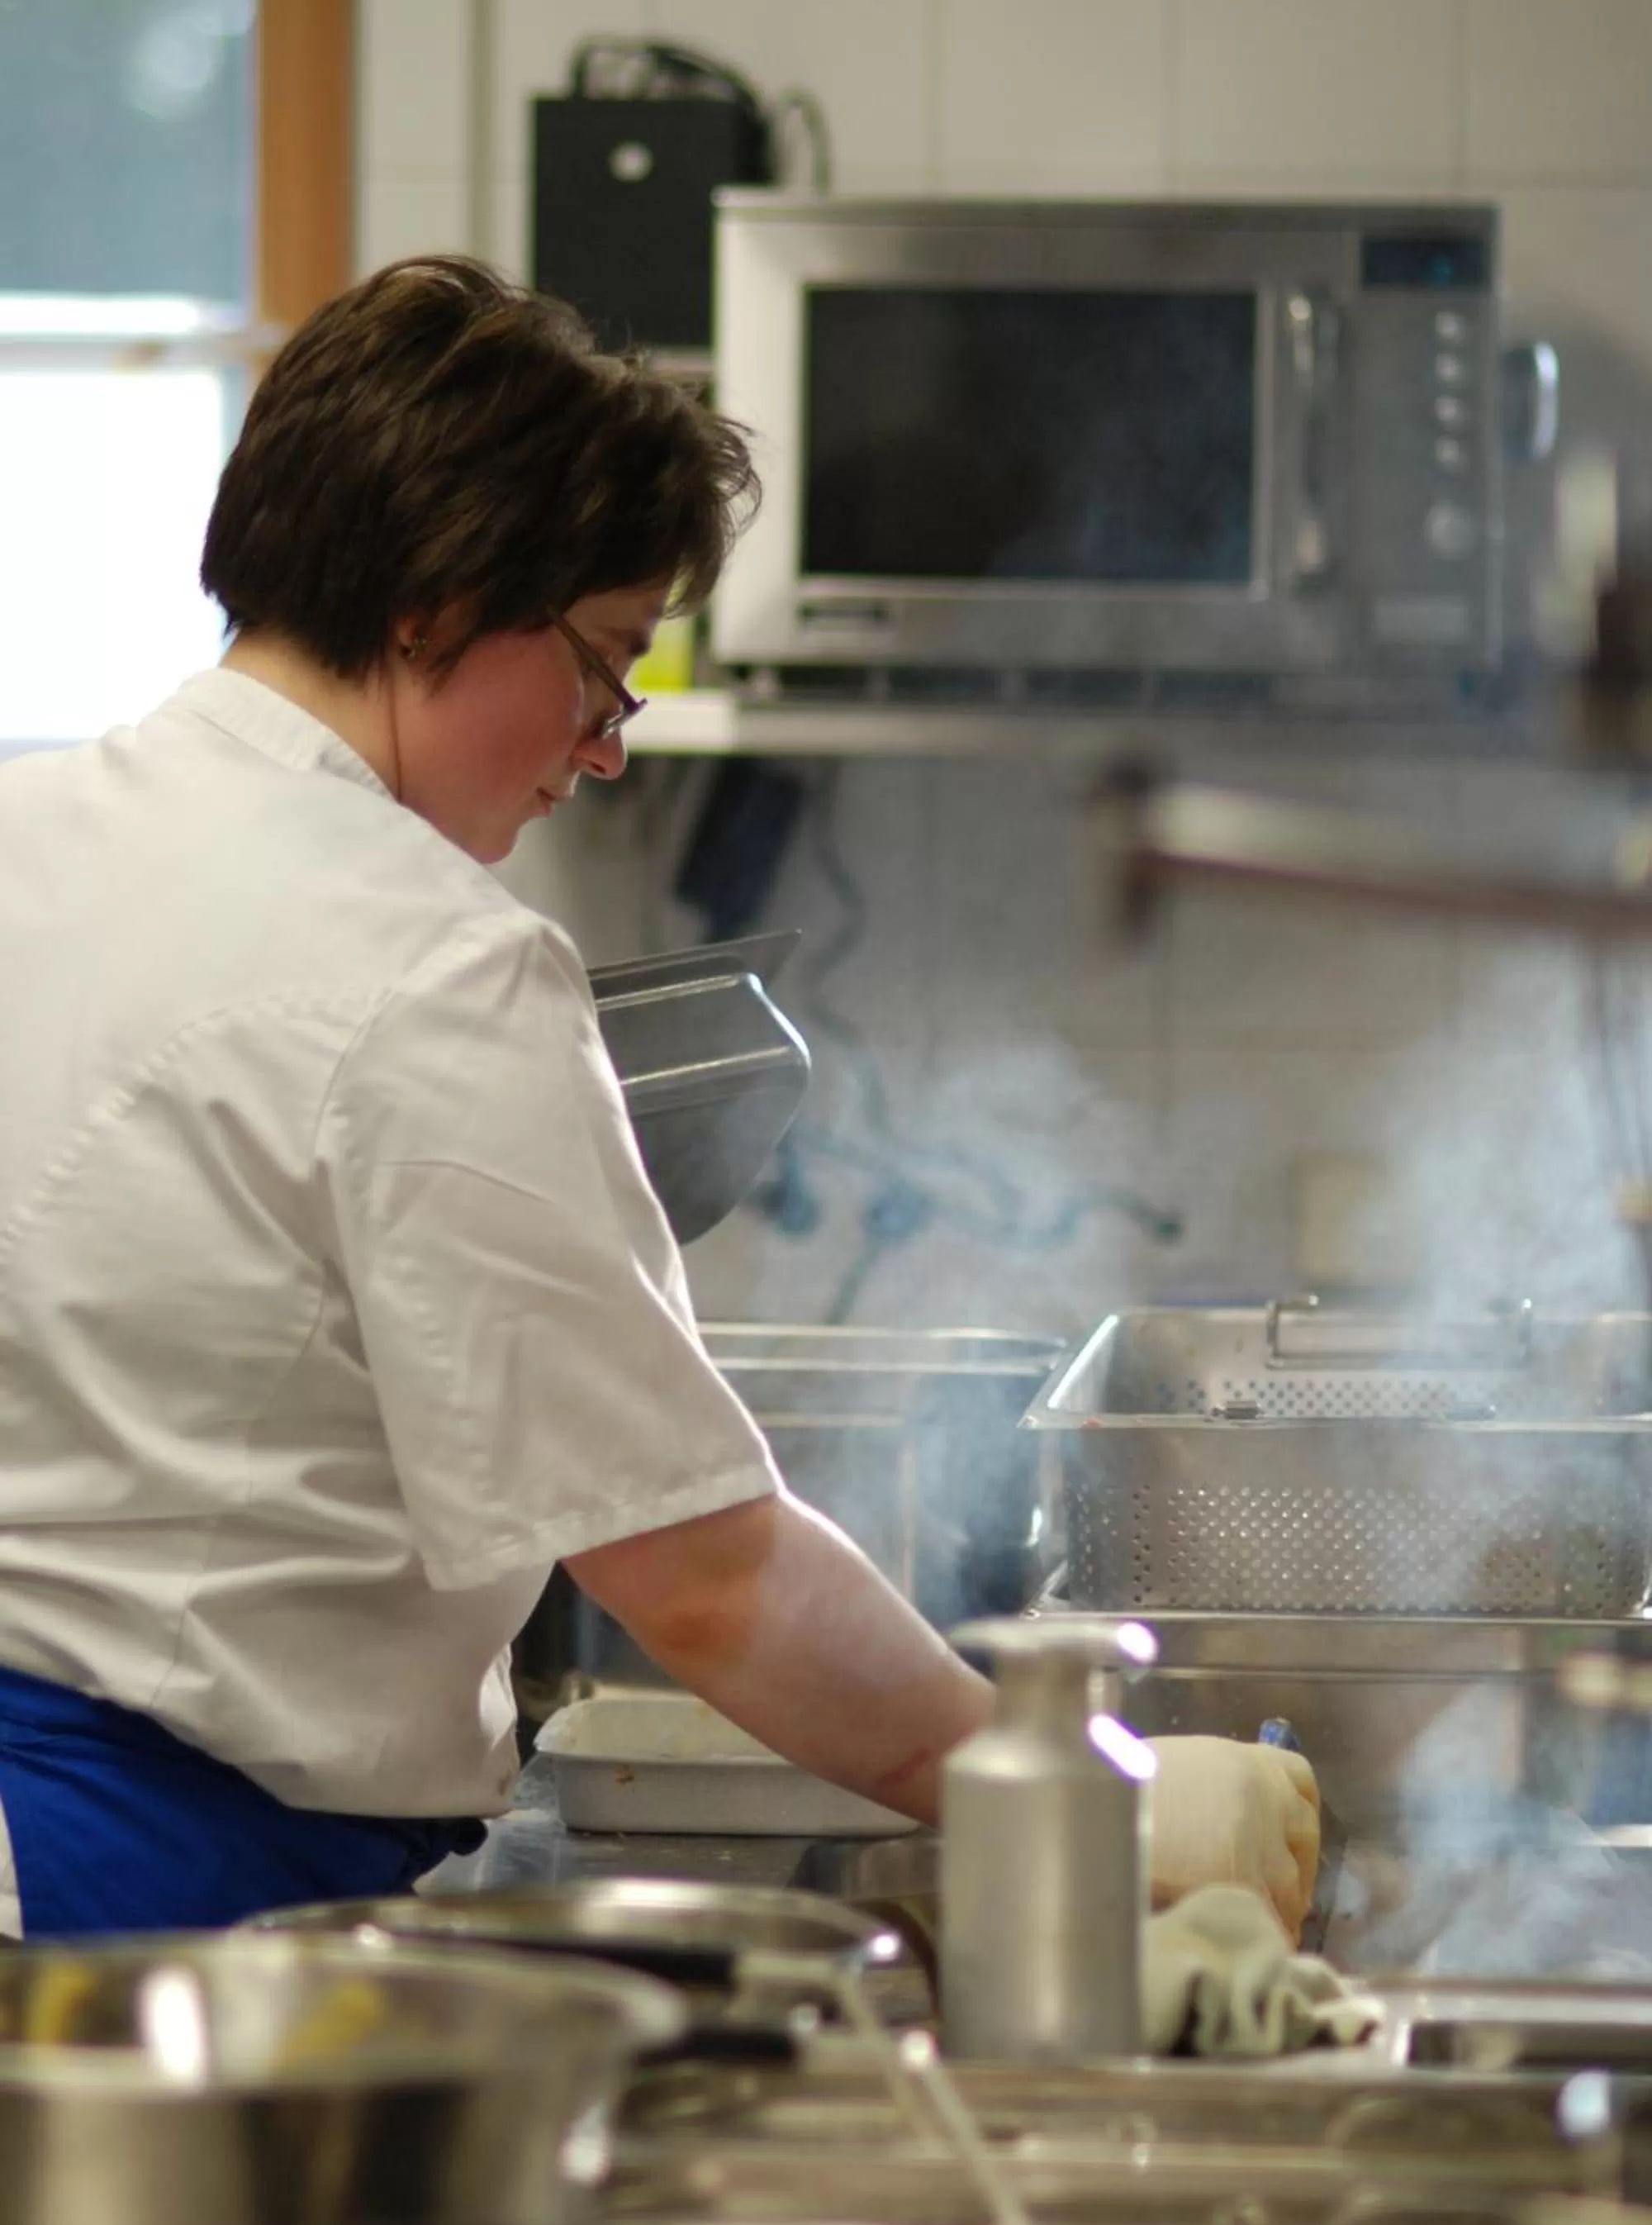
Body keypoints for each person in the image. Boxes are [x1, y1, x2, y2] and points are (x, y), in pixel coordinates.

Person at [0, 256, 1319, 1942]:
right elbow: (706, 1579)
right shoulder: (434, 966)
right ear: (435, 600)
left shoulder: (34, 836)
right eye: (605, 662)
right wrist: (1082, 1792)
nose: (607, 744)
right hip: (162, 1891)